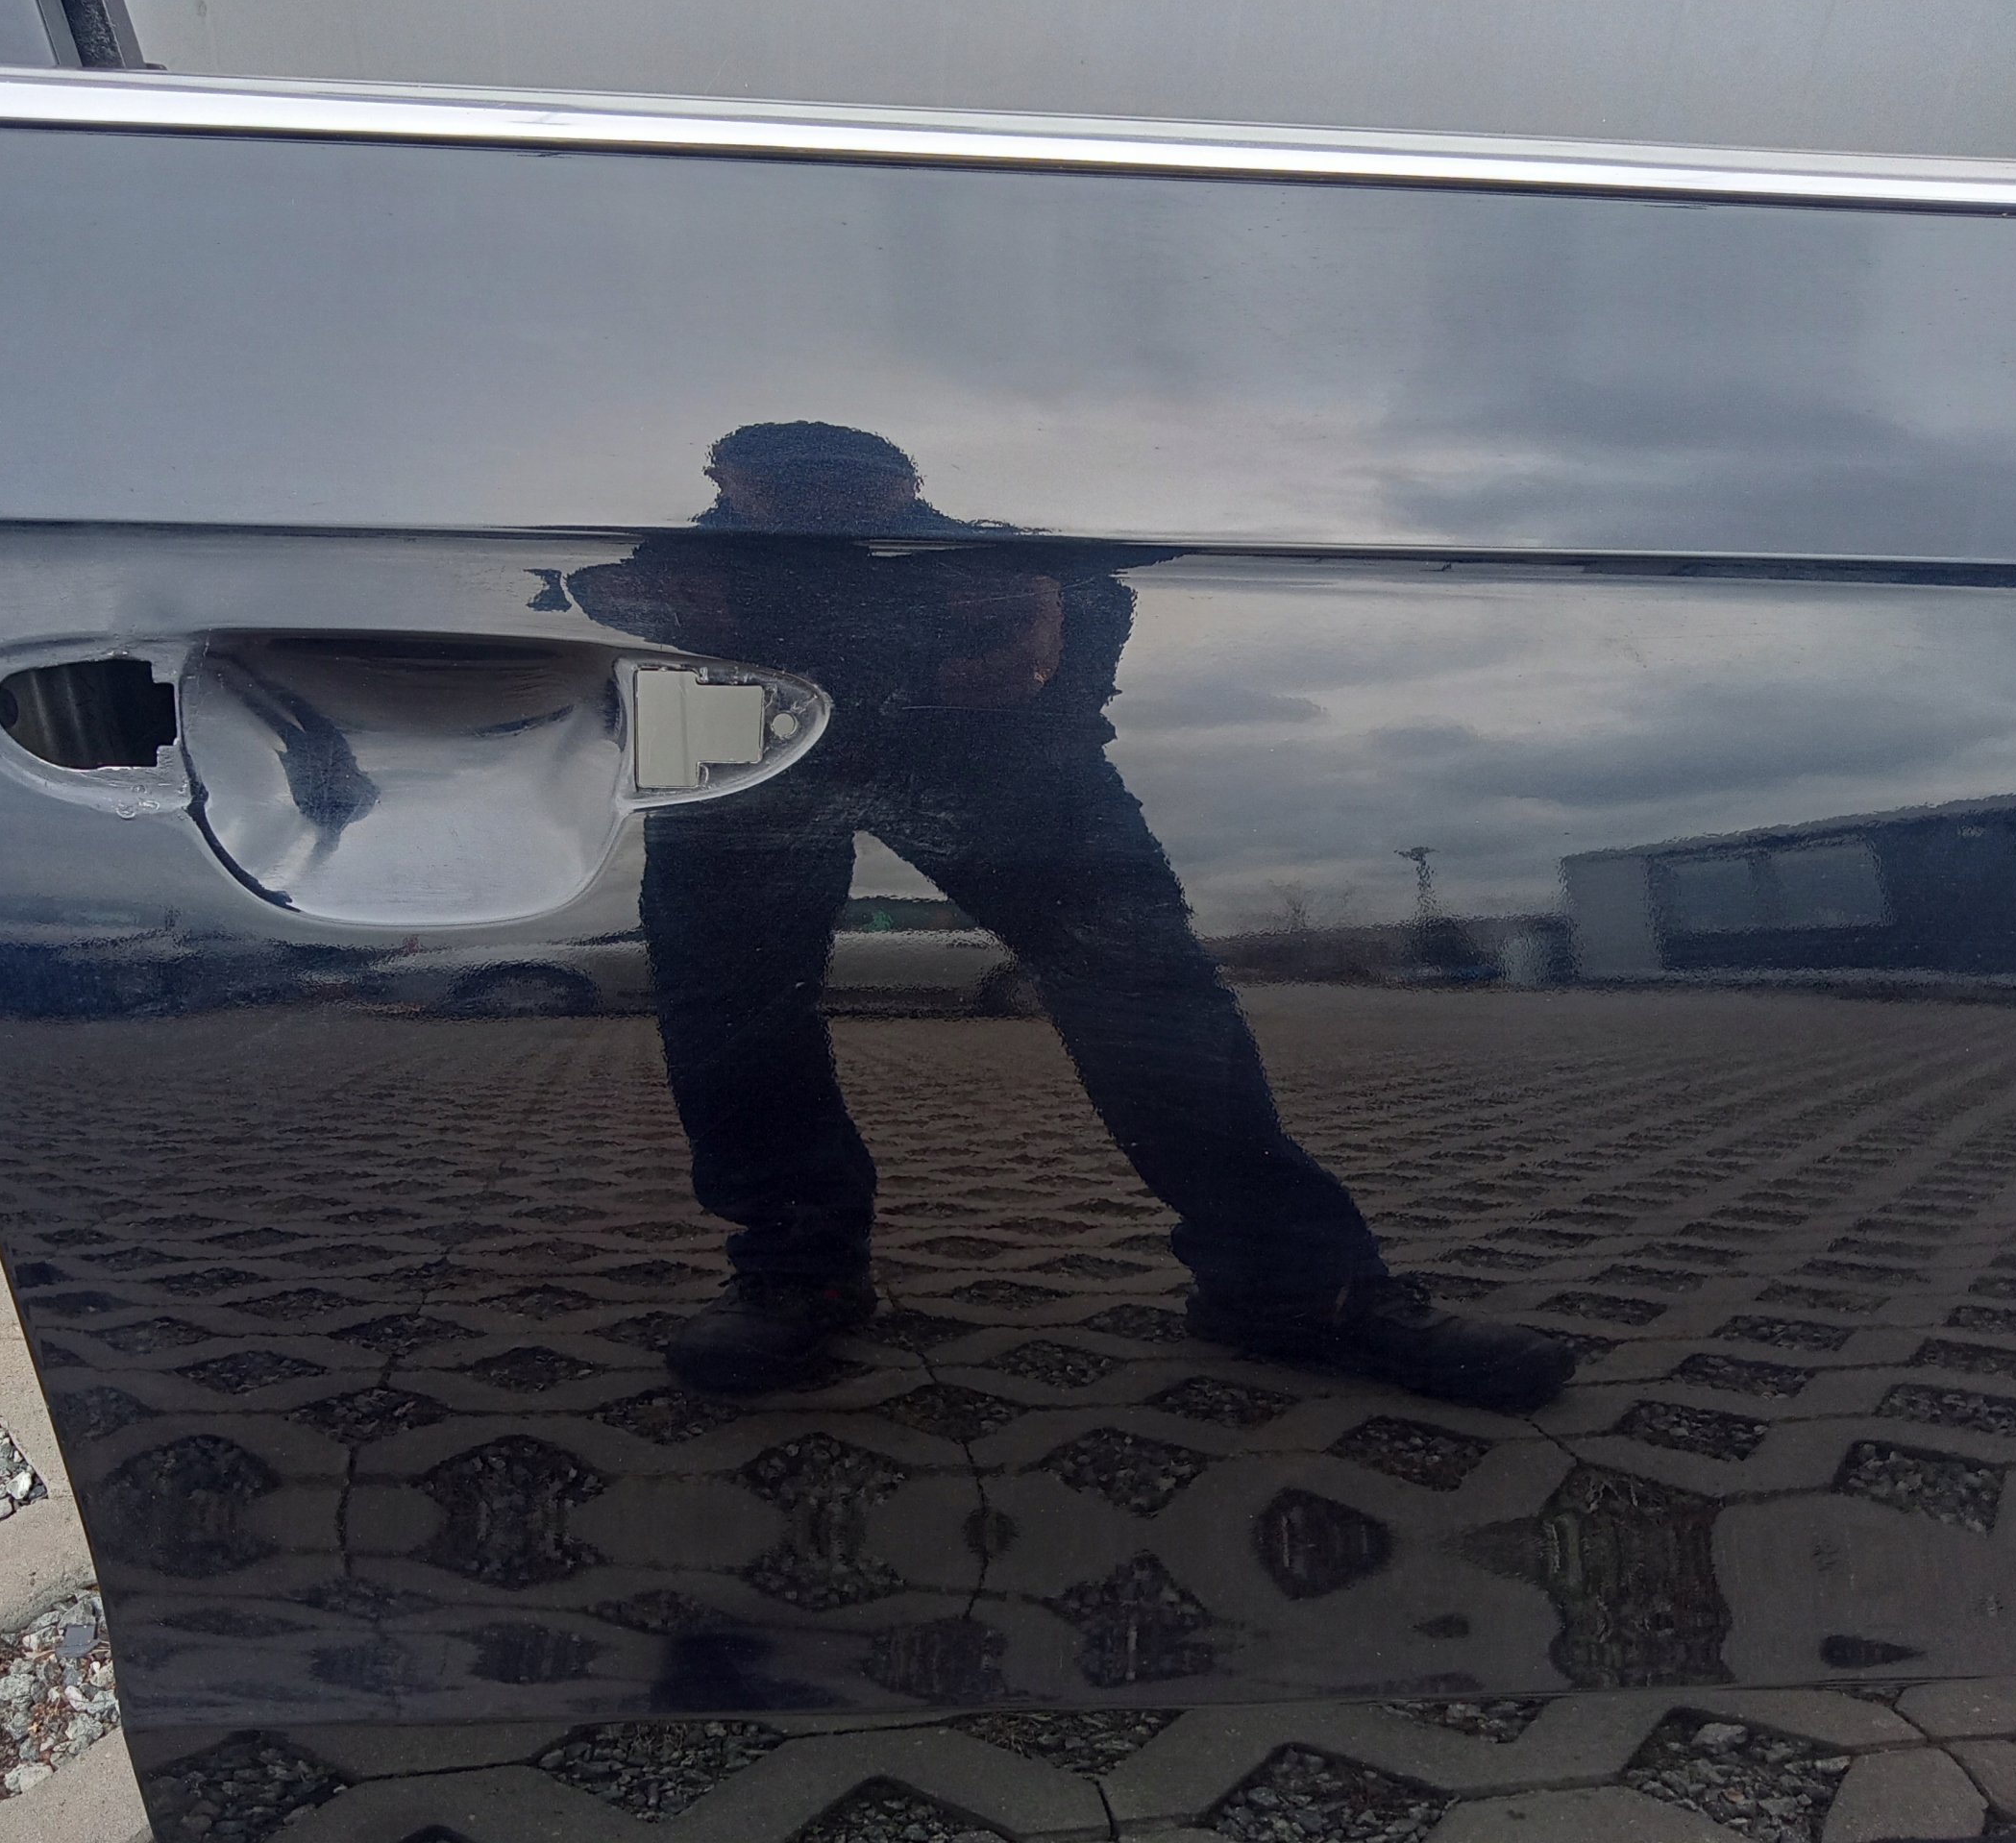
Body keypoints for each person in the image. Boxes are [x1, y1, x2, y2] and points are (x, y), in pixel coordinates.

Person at [568, 423, 1572, 1413]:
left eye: (849, 483)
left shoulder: (999, 562)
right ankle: (798, 1271)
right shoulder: (650, 568)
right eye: (791, 485)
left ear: (906, 483)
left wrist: (1043, 629)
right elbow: (582, 663)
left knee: (1146, 994)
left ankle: (1292, 1285)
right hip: (766, 739)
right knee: (731, 1011)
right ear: (726, 479)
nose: (821, 500)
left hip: (949, 748)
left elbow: (1078, 646)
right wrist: (631, 616)